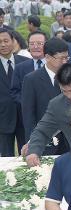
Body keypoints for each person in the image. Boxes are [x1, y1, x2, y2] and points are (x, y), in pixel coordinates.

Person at [21, 38, 70, 156]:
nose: (65, 62)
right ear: (47, 57)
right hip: (46, 139)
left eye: (67, 58)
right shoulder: (32, 79)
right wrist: (33, 143)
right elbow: (29, 115)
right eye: (61, 58)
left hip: (69, 140)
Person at [0, 28, 29, 156]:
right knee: (5, 159)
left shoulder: (26, 63)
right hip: (2, 119)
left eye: (6, 41)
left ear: (13, 41)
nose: (3, 44)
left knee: (27, 156)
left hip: (24, 117)